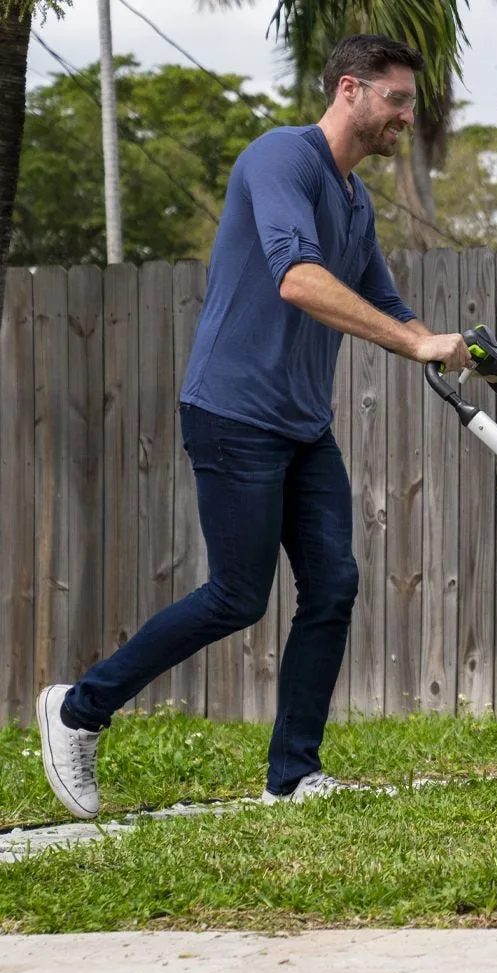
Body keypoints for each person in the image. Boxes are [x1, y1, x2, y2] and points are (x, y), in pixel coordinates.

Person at [35, 34, 473, 819]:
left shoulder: (354, 199)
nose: (409, 116)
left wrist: (453, 348)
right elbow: (298, 278)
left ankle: (292, 774)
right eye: (398, 99)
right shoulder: (282, 159)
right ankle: (77, 710)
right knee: (238, 596)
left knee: (333, 584)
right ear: (351, 91)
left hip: (304, 423)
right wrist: (412, 341)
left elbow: (393, 305)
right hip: (234, 413)